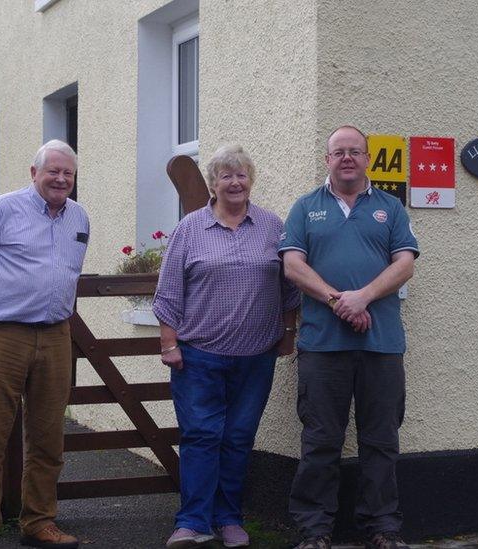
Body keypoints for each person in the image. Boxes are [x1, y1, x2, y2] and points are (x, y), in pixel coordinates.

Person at [278, 126, 419, 549]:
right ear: (327, 160)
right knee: (321, 440)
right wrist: (340, 300)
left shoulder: (391, 208)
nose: (346, 158)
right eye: (338, 152)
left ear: (368, 158)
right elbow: (292, 266)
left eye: (354, 151)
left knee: (381, 440)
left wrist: (364, 298)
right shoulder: (305, 208)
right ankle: (314, 530)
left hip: (381, 347)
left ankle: (382, 528)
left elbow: (405, 263)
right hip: (323, 346)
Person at [153, 144, 301, 549]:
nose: (234, 182)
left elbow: (289, 288)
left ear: (250, 181)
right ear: (213, 184)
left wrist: (287, 334)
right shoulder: (191, 228)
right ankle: (192, 521)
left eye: (241, 175)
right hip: (198, 354)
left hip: (257, 355)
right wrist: (169, 343)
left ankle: (229, 518)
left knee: (238, 437)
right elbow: (168, 291)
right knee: (201, 435)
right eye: (225, 176)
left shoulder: (273, 226)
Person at [0, 140, 88, 549]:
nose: (61, 179)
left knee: (49, 435)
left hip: (56, 335)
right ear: (34, 173)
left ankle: (39, 522)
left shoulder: (79, 217)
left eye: (68, 173)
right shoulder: (0, 210)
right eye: (53, 171)